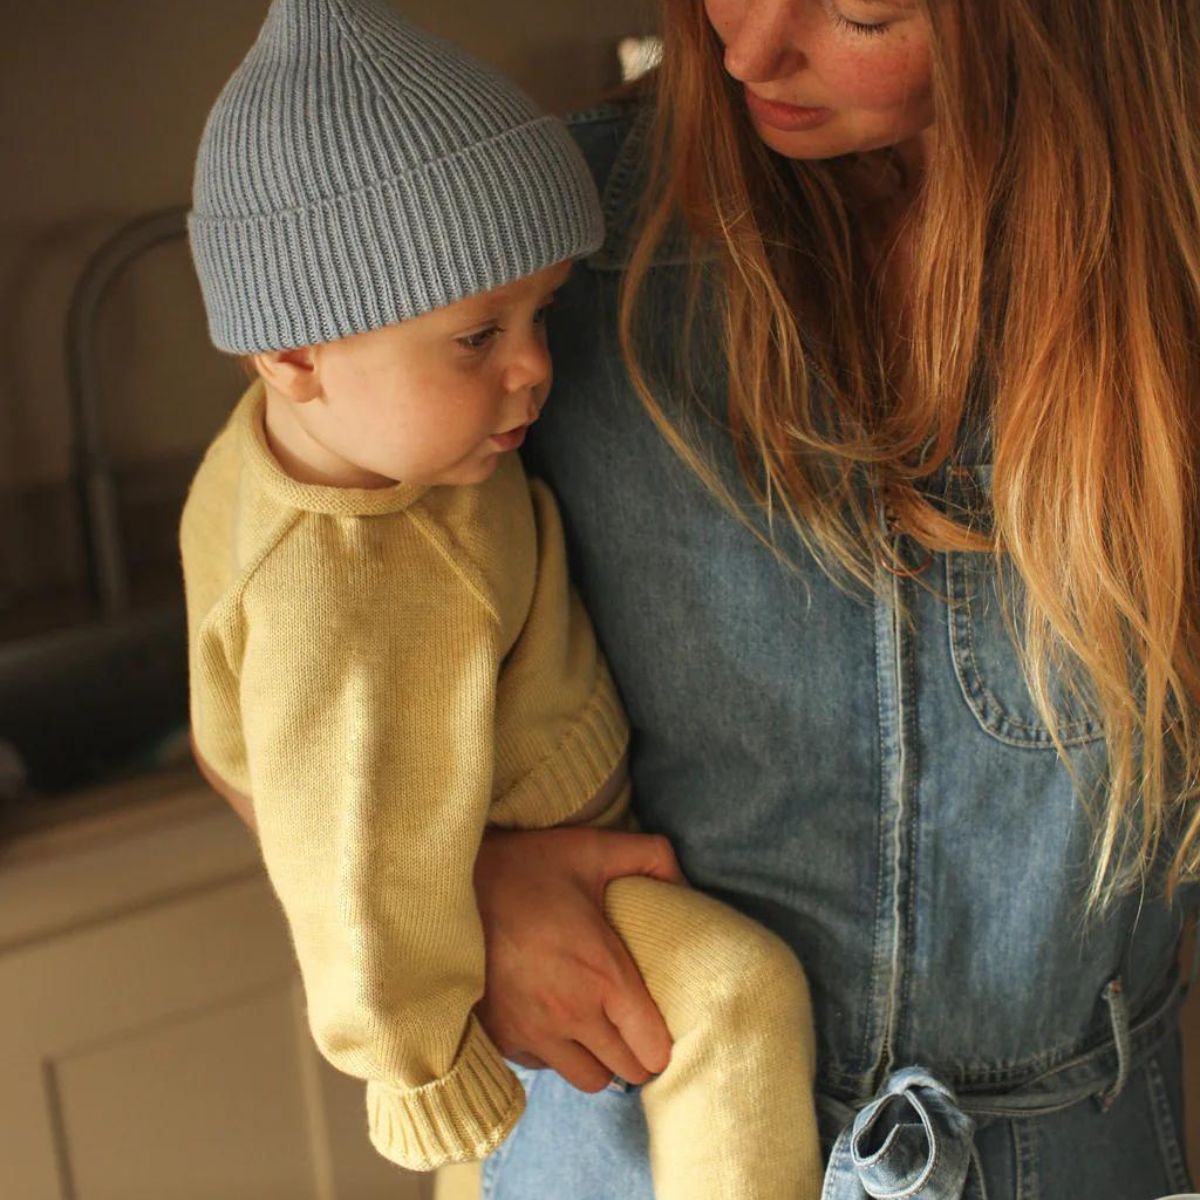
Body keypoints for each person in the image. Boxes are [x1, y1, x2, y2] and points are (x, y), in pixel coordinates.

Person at [438, 1, 1200, 1198]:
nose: (746, 49)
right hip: (627, 1156)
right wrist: (453, 894)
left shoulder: (1177, 272)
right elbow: (282, 650)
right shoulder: (544, 248)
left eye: (860, 10)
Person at [181, 0, 822, 1197]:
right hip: (532, 890)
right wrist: (423, 1073)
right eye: (478, 337)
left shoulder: (346, 441)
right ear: (297, 355)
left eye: (541, 313)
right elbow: (351, 867)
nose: (534, 367)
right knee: (740, 996)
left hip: (531, 874)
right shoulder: (341, 595)